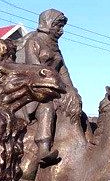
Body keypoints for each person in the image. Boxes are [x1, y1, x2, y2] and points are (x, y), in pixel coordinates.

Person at [17, 8, 73, 165]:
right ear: (48, 24)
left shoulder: (55, 47)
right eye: (58, 26)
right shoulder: (34, 41)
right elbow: (36, 70)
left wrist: (72, 92)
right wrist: (54, 90)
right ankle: (43, 149)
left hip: (53, 89)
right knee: (46, 108)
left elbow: (63, 72)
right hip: (35, 91)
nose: (61, 31)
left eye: (62, 27)